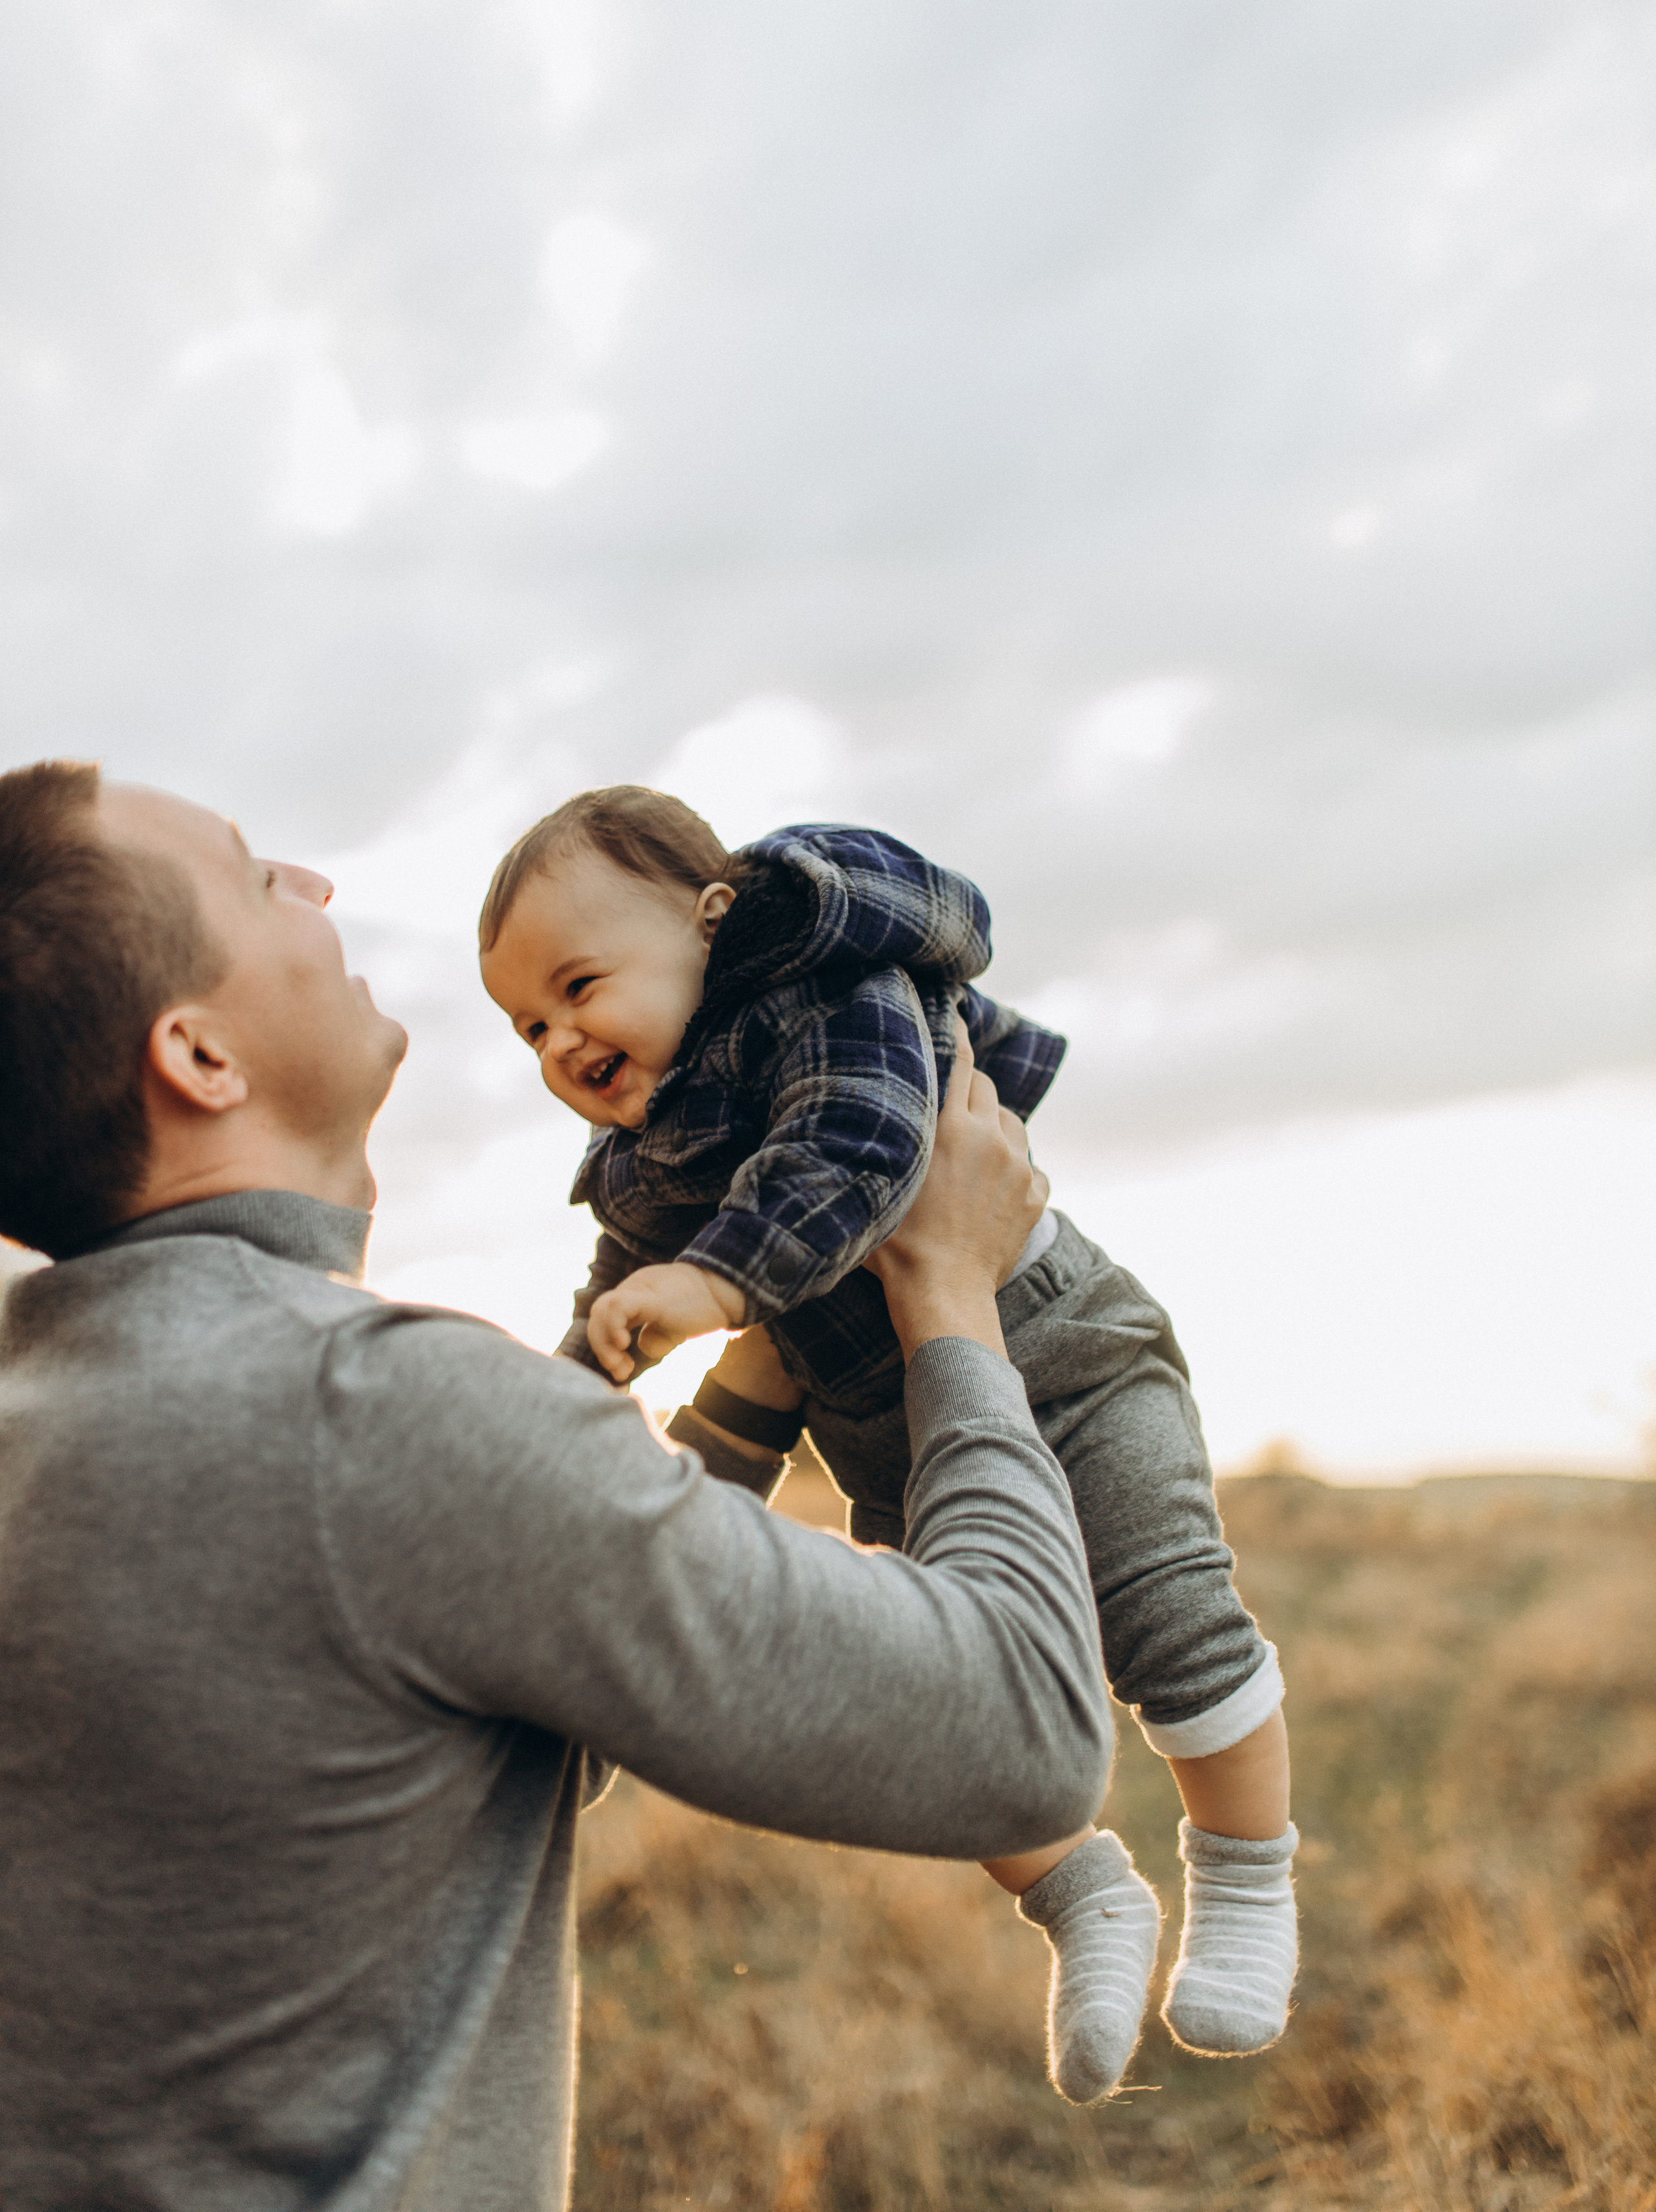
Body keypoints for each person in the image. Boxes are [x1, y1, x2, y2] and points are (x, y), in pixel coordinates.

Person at [0, 758, 1111, 2212]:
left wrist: (722, 1392)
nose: (315, 886)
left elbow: (502, 1689)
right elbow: (1021, 1731)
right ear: (200, 1055)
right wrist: (947, 1288)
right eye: (255, 872)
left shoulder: (51, 1417)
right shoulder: (377, 1413)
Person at [480, 789, 1300, 2105]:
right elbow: (613, 1292)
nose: (561, 1039)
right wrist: (580, 1382)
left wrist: (719, 1290)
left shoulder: (831, 992)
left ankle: (1245, 1880)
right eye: (528, 1025)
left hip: (1059, 1352)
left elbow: (856, 1153)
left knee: (1168, 1622)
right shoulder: (645, 1152)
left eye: (579, 985)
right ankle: (1081, 1892)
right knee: (944, 1706)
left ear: (713, 922)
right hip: (887, 1434)